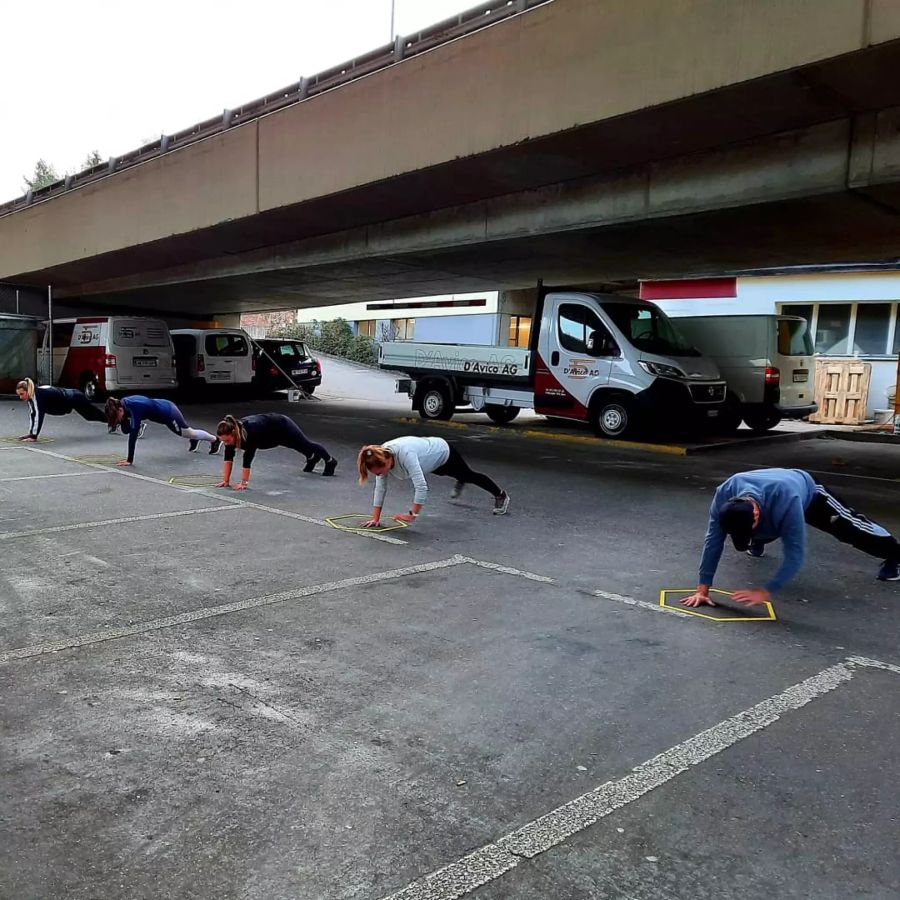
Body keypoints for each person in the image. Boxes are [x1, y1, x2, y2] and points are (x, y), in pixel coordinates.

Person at [682, 467, 900, 609]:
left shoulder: (787, 500)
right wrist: (703, 588)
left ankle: (894, 554)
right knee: (743, 540)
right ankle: (758, 539)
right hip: (764, 504)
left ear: (756, 514)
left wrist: (766, 591)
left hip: (808, 493)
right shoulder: (724, 494)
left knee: (851, 529)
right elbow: (713, 540)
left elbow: (795, 553)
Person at [356, 436, 509, 527]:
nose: (380, 475)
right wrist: (375, 518)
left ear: (387, 461)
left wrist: (412, 514)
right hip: (430, 463)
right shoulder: (380, 457)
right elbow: (380, 488)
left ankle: (500, 495)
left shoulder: (406, 455)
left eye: (380, 472)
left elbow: (421, 487)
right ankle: (460, 478)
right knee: (450, 474)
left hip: (443, 453)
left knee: (469, 475)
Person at [215, 413, 336, 490]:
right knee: (294, 445)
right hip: (269, 437)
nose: (226, 443)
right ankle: (312, 458)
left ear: (233, 433)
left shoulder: (251, 432)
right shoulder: (230, 438)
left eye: (227, 440)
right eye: (223, 441)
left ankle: (330, 461)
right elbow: (228, 458)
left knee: (304, 444)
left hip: (282, 425)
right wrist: (226, 481)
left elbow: (247, 459)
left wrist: (244, 483)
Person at [105, 396, 220, 466]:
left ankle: (215, 440)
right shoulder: (123, 403)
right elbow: (126, 429)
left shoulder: (135, 408)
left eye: (117, 419)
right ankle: (194, 439)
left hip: (169, 413)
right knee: (187, 433)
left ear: (120, 410)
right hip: (162, 406)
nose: (118, 421)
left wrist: (129, 460)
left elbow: (133, 435)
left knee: (189, 433)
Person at [15, 378, 107, 439]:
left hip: (74, 397)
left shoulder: (38, 396)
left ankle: (114, 419)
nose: (20, 397)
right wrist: (30, 433)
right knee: (90, 415)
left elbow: (38, 415)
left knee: (91, 415)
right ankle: (111, 419)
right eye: (19, 395)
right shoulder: (34, 396)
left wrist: (33, 435)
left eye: (22, 394)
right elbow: (32, 414)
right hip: (69, 400)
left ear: (28, 390)